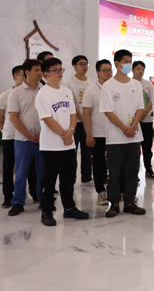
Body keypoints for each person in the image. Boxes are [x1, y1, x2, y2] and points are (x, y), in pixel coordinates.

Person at [35, 58, 89, 226]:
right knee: (49, 180)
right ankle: (46, 212)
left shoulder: (66, 91)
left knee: (68, 178)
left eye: (61, 69)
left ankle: (69, 208)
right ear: (46, 74)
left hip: (68, 143)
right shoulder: (43, 93)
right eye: (55, 70)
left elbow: (73, 113)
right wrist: (63, 135)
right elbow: (47, 119)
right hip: (51, 145)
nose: (59, 73)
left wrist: (71, 131)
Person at [100, 49, 146, 218]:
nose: (129, 64)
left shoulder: (136, 84)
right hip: (115, 138)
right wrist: (124, 128)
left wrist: (133, 127)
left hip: (134, 136)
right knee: (114, 173)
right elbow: (107, 111)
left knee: (132, 172)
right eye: (126, 61)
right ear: (117, 63)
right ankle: (113, 203)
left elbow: (140, 108)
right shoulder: (108, 86)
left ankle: (129, 202)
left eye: (130, 61)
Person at [0, 65, 38, 208]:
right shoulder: (6, 95)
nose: (26, 78)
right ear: (15, 77)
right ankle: (8, 197)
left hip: (29, 136)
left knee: (31, 167)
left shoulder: (36, 92)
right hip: (10, 136)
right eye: (23, 75)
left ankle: (35, 194)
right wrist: (4, 129)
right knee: (9, 167)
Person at [7, 59, 45, 216]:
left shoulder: (46, 91)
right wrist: (28, 135)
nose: (40, 73)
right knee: (21, 172)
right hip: (23, 140)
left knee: (43, 172)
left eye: (41, 70)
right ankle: (18, 202)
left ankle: (44, 200)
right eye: (37, 70)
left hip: (43, 139)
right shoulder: (16, 93)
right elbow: (13, 117)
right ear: (27, 72)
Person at [82, 59, 112, 206]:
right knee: (99, 164)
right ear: (98, 72)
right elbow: (86, 114)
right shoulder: (91, 91)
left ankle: (117, 192)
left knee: (115, 164)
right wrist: (89, 134)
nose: (108, 72)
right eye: (105, 70)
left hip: (114, 134)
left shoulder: (114, 88)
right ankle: (101, 192)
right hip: (98, 134)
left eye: (110, 69)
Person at [64, 55, 95, 186]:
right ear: (74, 66)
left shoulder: (92, 82)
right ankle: (70, 179)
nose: (84, 66)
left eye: (86, 64)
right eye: (81, 64)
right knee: (73, 152)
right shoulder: (68, 83)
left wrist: (88, 120)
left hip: (88, 123)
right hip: (75, 123)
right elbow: (71, 104)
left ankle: (86, 177)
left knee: (87, 151)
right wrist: (83, 118)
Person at [132, 61, 154, 179]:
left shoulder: (148, 84)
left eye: (142, 69)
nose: (140, 71)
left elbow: (152, 100)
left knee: (147, 147)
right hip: (133, 122)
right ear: (132, 70)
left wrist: (144, 112)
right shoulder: (129, 83)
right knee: (134, 149)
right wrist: (137, 115)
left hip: (146, 121)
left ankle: (148, 169)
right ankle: (134, 172)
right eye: (138, 68)